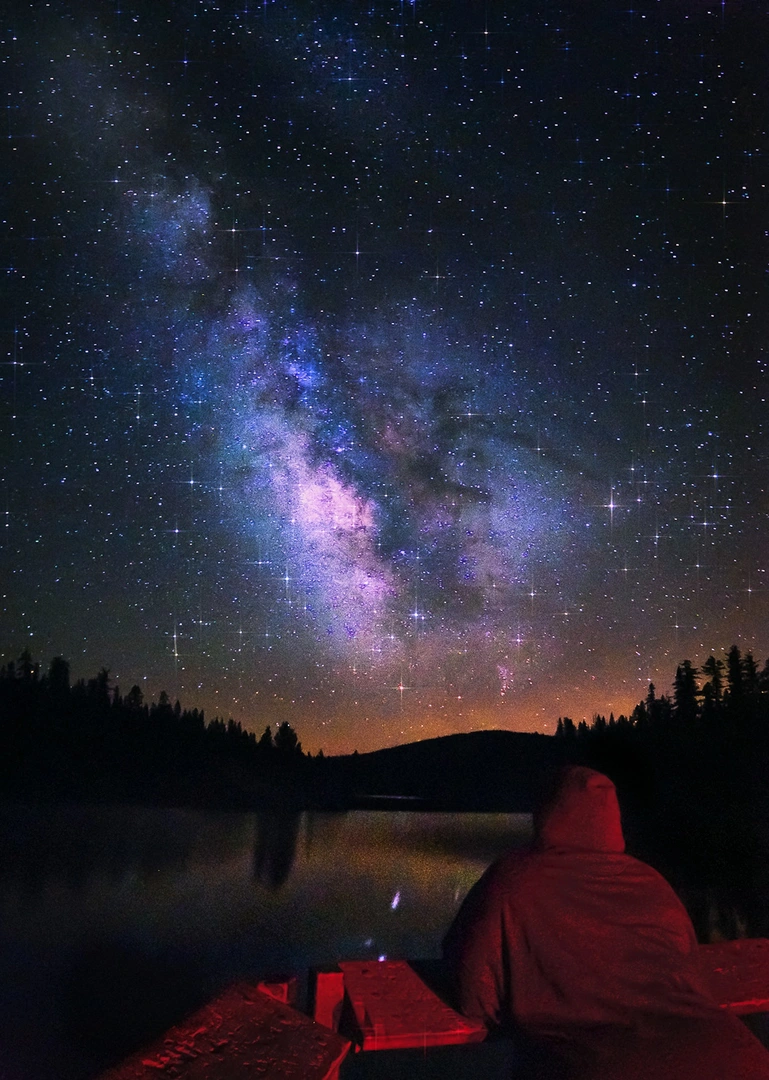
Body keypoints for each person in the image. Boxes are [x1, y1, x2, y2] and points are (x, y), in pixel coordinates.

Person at [442, 765, 769, 1078]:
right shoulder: (653, 883)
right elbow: (689, 970)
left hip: (608, 1067)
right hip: (736, 1056)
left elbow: (474, 993)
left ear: (547, 814)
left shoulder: (513, 880)